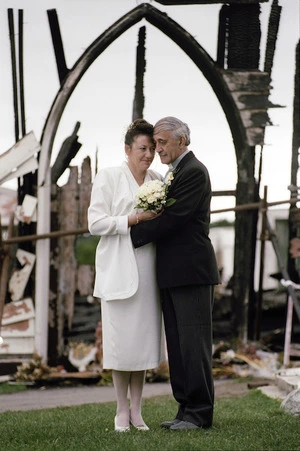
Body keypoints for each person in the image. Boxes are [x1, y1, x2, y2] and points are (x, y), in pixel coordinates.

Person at [130, 116, 220, 430]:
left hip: (192, 272)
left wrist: (131, 231)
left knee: (194, 345)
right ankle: (185, 409)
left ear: (182, 140)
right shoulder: (174, 173)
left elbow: (174, 218)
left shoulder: (194, 172)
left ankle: (200, 413)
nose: (158, 148)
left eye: (163, 142)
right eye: (155, 143)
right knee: (179, 346)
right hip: (173, 273)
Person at [88, 118, 166, 432]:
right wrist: (133, 218)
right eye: (143, 148)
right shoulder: (107, 177)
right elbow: (95, 224)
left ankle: (137, 410)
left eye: (152, 148)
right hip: (117, 268)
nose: (148, 154)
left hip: (148, 268)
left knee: (142, 344)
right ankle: (121, 410)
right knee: (121, 345)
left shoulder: (158, 178)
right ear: (127, 149)